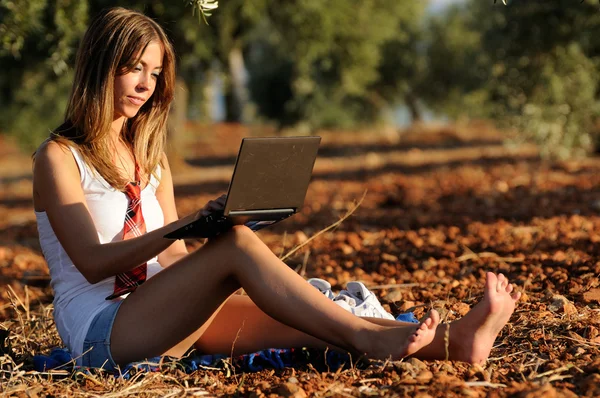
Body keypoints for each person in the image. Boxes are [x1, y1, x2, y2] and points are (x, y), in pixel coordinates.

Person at [32, 7, 521, 372]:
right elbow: (93, 262)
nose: (146, 84)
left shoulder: (151, 159)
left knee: (309, 321)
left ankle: (457, 341)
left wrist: (218, 234)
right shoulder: (58, 157)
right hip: (102, 332)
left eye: (155, 73)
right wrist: (198, 227)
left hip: (161, 311)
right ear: (100, 65)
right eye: (134, 67)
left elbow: (174, 260)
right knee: (243, 250)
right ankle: (371, 341)